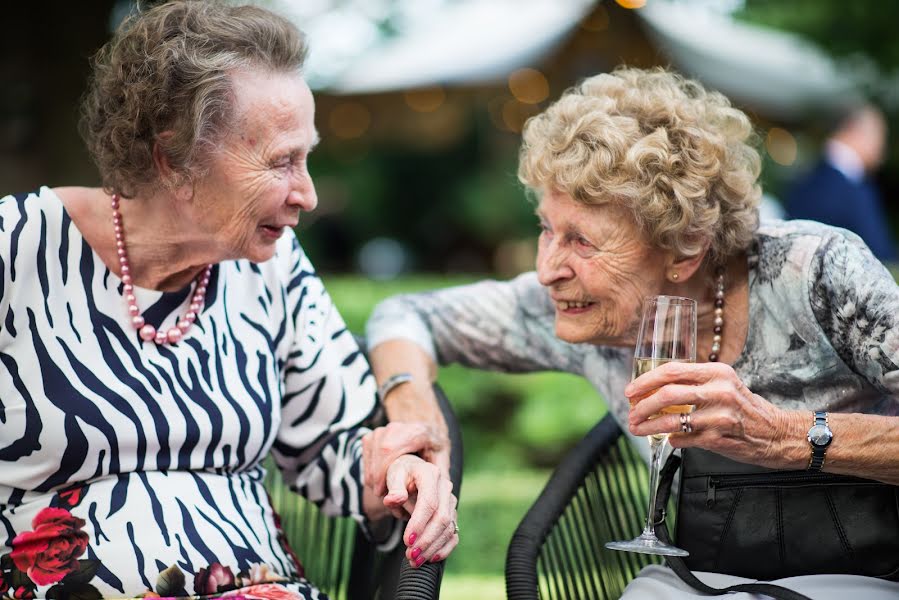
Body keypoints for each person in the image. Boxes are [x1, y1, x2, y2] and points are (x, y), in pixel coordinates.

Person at [365, 67, 899, 598]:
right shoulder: (582, 311)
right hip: (706, 584)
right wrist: (415, 414)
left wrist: (781, 436)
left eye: (582, 241)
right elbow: (406, 315)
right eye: (546, 229)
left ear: (686, 246)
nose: (549, 268)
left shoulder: (816, 272)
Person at [0, 3, 458, 599]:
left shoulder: (271, 265)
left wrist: (398, 469)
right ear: (173, 159)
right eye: (281, 162)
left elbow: (341, 448)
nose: (308, 196)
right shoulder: (17, 249)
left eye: (307, 157)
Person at [786, 104, 897, 263]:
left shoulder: (806, 179)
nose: (882, 149)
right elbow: (881, 254)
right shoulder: (849, 189)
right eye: (880, 136)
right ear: (855, 130)